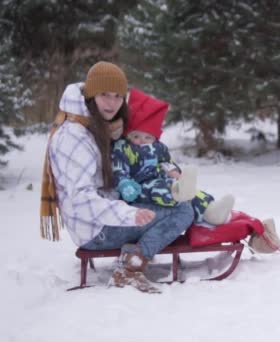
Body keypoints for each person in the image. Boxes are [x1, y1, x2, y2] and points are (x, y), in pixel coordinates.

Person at [40, 61, 194, 293]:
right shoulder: (75, 137)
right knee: (183, 210)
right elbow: (81, 200)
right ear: (92, 95)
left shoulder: (86, 124)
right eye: (104, 95)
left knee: (168, 197)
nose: (112, 103)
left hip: (99, 217)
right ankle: (131, 268)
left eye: (118, 96)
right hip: (96, 230)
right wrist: (130, 214)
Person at [111, 88, 235, 226]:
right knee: (162, 188)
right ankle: (179, 192)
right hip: (138, 188)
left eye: (148, 137)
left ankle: (211, 211)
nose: (142, 140)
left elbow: (165, 162)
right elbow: (118, 169)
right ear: (128, 134)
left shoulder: (159, 147)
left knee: (191, 192)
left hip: (162, 180)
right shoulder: (123, 147)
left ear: (155, 137)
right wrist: (125, 184)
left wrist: (173, 171)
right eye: (136, 136)